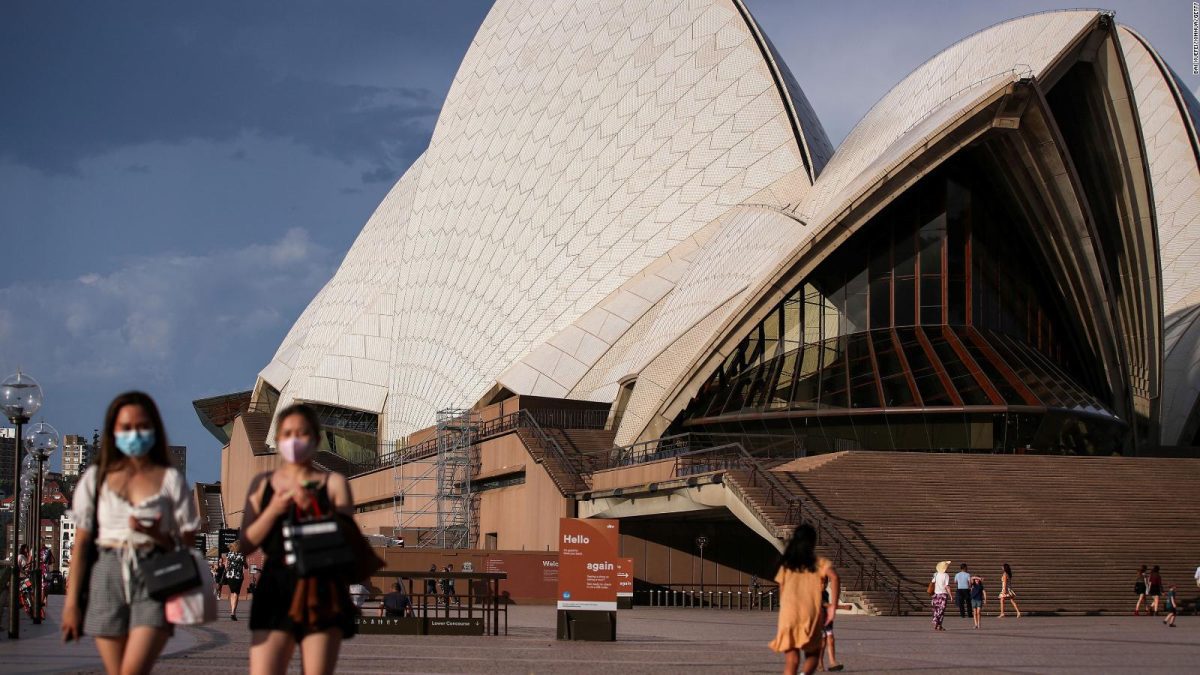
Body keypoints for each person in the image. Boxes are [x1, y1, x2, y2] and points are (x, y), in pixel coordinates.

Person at [60, 391, 200, 675]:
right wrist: (72, 604)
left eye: (142, 426)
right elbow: (82, 544)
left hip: (155, 573)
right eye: (126, 428)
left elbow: (187, 541)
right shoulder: (96, 478)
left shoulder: (169, 479)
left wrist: (156, 534)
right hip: (107, 572)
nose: (134, 434)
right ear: (114, 431)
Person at [240, 403, 357, 675]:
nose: (294, 440)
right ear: (278, 439)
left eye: (302, 433)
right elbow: (245, 543)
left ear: (316, 439)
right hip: (276, 585)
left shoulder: (333, 484)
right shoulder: (262, 485)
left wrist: (314, 512)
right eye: (288, 433)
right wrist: (273, 511)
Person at [769, 523, 839, 675]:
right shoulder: (819, 563)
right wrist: (833, 605)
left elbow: (782, 588)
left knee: (791, 659)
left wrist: (785, 608)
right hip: (810, 613)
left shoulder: (787, 564)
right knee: (813, 653)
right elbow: (834, 577)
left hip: (789, 614)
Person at [223, 541, 248, 621]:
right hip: (238, 577)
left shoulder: (229, 554)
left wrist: (229, 569)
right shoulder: (242, 555)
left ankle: (232, 610)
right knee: (236, 594)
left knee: (232, 593)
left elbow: (226, 566)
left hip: (230, 576)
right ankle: (233, 612)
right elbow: (246, 566)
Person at [930, 561, 952, 631]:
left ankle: (936, 623)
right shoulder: (946, 575)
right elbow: (947, 586)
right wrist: (951, 595)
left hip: (936, 594)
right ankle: (939, 625)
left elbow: (933, 582)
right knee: (941, 611)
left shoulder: (935, 574)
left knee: (936, 610)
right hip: (943, 595)